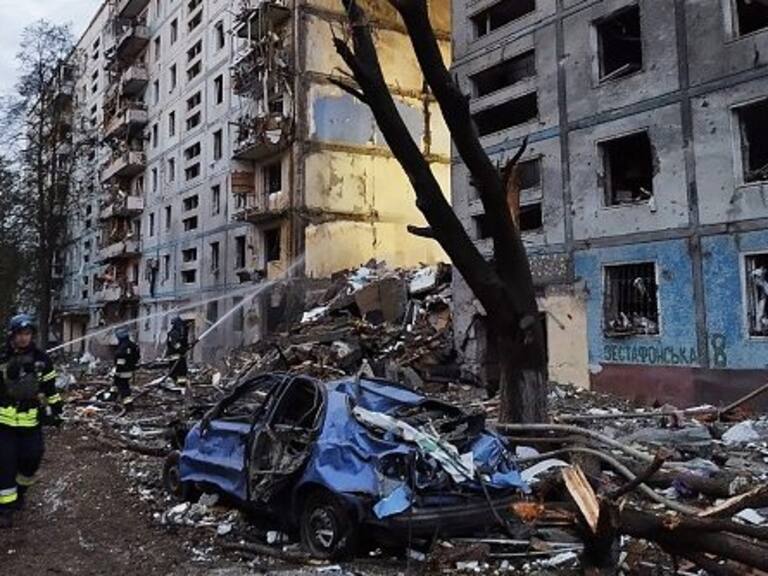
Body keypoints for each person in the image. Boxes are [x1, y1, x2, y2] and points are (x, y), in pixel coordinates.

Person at [0, 314, 62, 528]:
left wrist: (56, 410)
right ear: (12, 335)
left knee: (32, 459)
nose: (23, 338)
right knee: (5, 464)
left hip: (31, 422)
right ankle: (5, 509)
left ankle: (21, 491)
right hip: (4, 424)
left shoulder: (42, 359)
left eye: (27, 334)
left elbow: (50, 389)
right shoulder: (3, 357)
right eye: (20, 334)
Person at [113, 327, 140, 403]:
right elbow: (137, 357)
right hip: (130, 370)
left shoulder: (122, 347)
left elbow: (120, 360)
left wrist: (117, 371)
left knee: (123, 387)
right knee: (119, 385)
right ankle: (115, 400)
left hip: (122, 371)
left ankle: (127, 403)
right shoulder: (133, 345)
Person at [166, 317, 189, 387]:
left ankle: (177, 384)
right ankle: (180, 384)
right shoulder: (175, 333)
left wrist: (186, 346)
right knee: (181, 370)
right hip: (175, 355)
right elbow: (175, 344)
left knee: (176, 370)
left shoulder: (172, 332)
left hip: (173, 355)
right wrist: (182, 349)